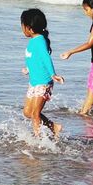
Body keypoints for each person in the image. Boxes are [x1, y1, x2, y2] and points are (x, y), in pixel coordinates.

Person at [21, 8, 64, 137]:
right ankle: (53, 126)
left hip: (43, 82)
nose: (22, 28)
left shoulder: (39, 41)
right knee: (28, 112)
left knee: (35, 114)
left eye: (22, 25)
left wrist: (53, 74)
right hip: (34, 82)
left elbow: (46, 57)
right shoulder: (33, 42)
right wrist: (28, 69)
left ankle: (37, 140)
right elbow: (35, 59)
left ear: (30, 28)